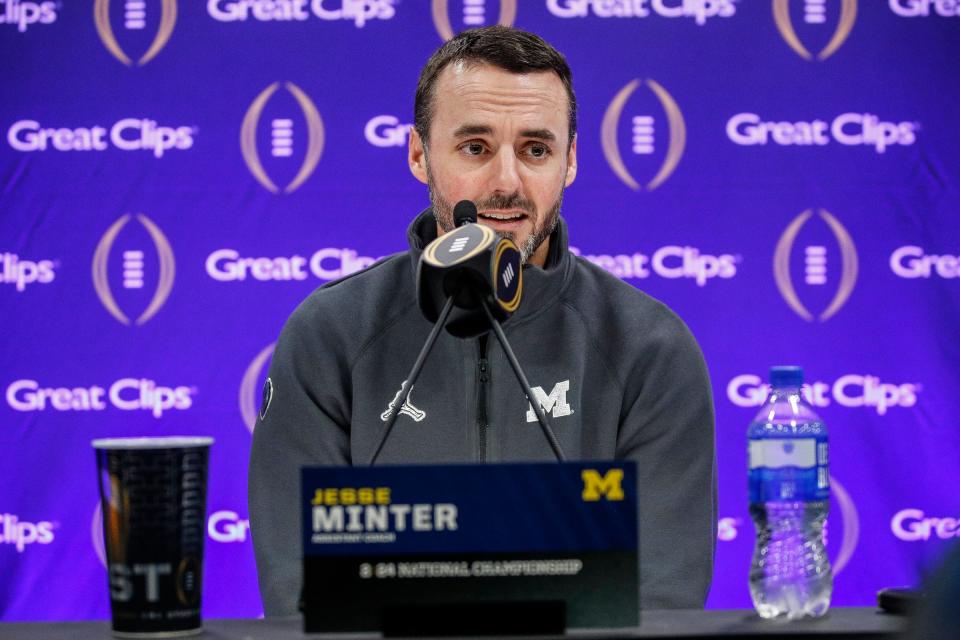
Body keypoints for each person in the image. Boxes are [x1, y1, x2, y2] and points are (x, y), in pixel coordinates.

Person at [248, 25, 716, 616]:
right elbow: (301, 599)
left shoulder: (650, 349)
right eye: (475, 147)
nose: (506, 182)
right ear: (419, 154)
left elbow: (662, 601)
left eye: (535, 149)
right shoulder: (330, 335)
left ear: (570, 162)